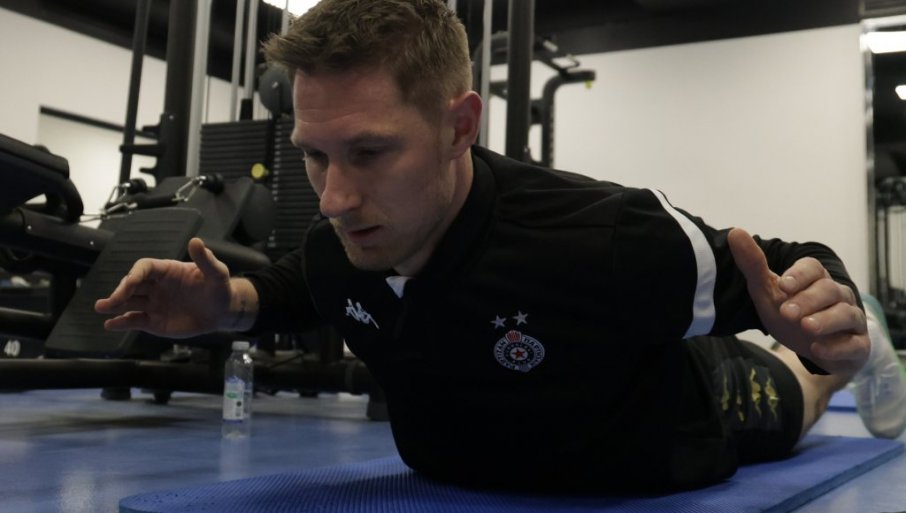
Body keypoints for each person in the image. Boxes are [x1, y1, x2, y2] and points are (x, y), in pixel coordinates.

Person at [95, 0, 906, 493]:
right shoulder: (342, 242)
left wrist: (821, 312)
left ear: (459, 126)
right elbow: (307, 286)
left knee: (796, 396)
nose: (334, 197)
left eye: (369, 152)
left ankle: (855, 351)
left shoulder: (607, 240)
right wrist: (228, 304)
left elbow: (786, 259)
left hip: (665, 434)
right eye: (315, 155)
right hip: (469, 466)